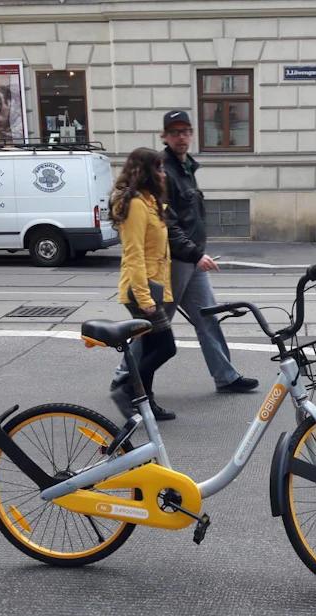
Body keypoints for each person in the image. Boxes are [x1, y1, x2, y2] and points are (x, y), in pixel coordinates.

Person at [111, 110, 259, 397]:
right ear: (164, 136)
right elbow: (168, 224)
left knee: (208, 317)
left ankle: (226, 376)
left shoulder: (187, 167)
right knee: (153, 325)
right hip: (176, 262)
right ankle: (125, 375)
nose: (181, 137)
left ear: (192, 134)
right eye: (175, 132)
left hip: (191, 259)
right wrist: (193, 254)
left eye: (185, 131)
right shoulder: (161, 170)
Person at [109, 147, 178, 421]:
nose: (163, 173)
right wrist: (146, 299)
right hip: (141, 291)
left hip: (151, 287)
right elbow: (134, 253)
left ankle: (145, 403)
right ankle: (126, 388)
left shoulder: (149, 202)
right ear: (147, 172)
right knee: (166, 347)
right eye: (159, 168)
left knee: (151, 348)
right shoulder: (137, 205)